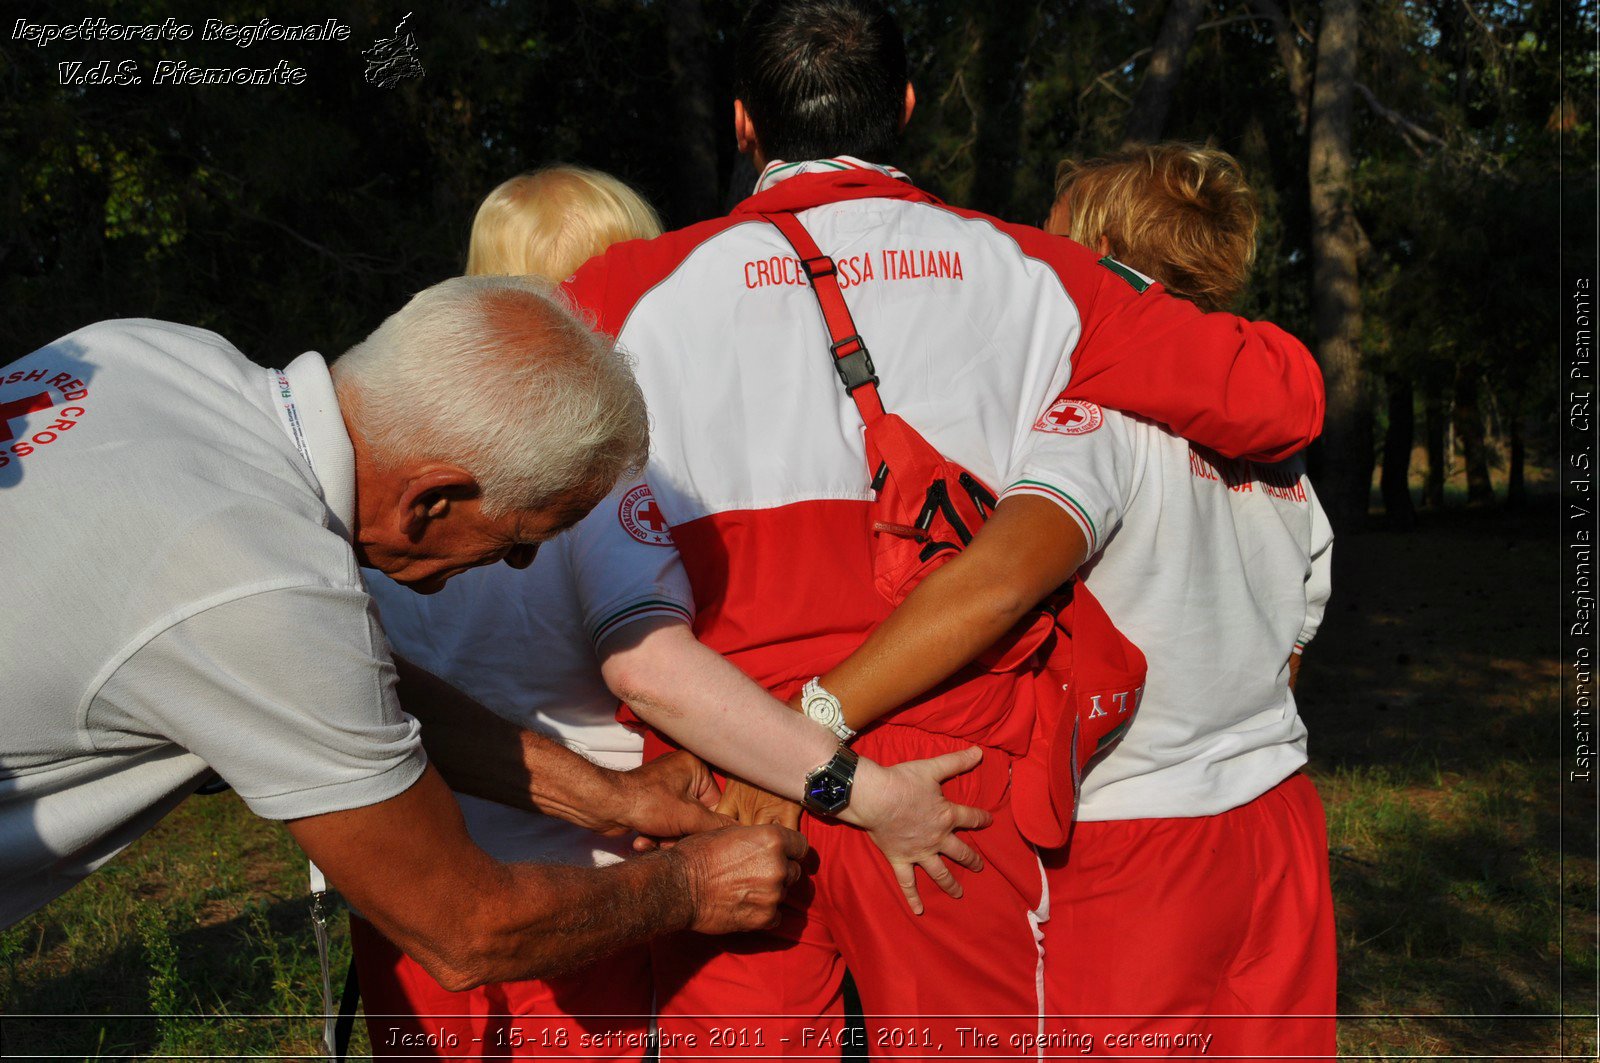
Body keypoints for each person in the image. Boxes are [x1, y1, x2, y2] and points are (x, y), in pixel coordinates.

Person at [557, 1, 1325, 1054]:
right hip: (954, 778)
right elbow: (1276, 402)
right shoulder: (1038, 272)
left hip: (725, 769)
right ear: (908, 108)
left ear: (744, 123)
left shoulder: (615, 295)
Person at [0, 275, 810, 994]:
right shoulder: (259, 580)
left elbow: (350, 679)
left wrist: (605, 797)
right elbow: (465, 926)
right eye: (521, 536)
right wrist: (690, 887)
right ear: (430, 500)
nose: (522, 564)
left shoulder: (155, 354)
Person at [352, 166, 993, 1058]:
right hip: (575, 888)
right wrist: (861, 787)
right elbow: (650, 668)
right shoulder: (593, 471)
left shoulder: (390, 467)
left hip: (405, 872)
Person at [795, 142, 1336, 1058]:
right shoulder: (1275, 448)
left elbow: (1001, 580)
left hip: (1138, 842)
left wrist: (817, 712)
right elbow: (1294, 637)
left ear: (1098, 255)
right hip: (1278, 815)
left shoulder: (1099, 421)